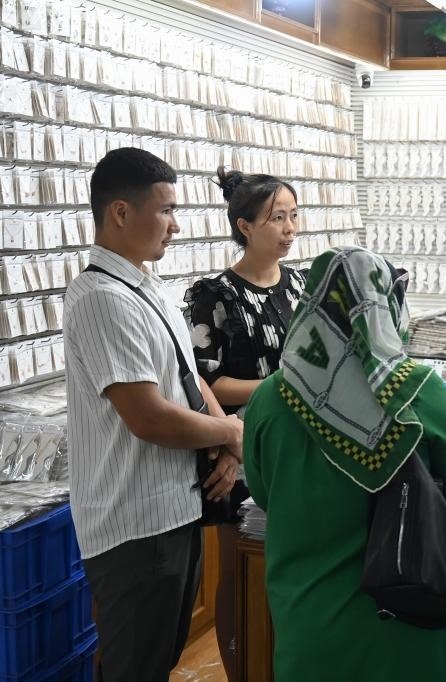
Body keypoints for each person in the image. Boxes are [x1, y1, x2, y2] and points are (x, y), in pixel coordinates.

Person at [243, 246, 446, 681]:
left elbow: (265, 494)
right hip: (405, 623)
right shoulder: (415, 390)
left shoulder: (271, 395)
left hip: (308, 624)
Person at [64, 148, 244, 682]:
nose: (175, 225)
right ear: (121, 212)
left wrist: (227, 445)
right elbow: (149, 417)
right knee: (135, 668)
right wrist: (233, 430)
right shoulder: (101, 298)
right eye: (166, 210)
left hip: (175, 509)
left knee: (157, 660)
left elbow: (191, 380)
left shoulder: (149, 289)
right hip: (136, 527)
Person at [183, 167, 305, 682]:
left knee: (292, 568)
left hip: (299, 449)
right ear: (245, 226)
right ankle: (241, 670)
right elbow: (207, 380)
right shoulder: (213, 295)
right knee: (240, 572)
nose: (289, 228)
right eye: (277, 218)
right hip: (239, 448)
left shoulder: (302, 286)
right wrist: (284, 387)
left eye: (294, 216)